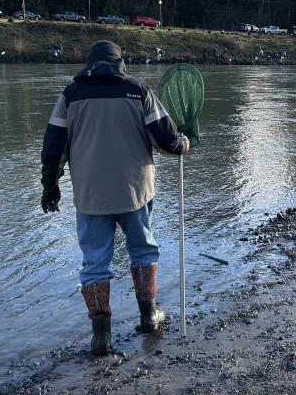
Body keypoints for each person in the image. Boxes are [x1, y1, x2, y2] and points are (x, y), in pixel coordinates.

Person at [40, 40, 190, 356]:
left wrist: (49, 186)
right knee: (143, 249)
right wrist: (183, 144)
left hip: (91, 194)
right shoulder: (139, 91)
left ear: (89, 63)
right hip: (135, 190)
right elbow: (166, 138)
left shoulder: (69, 96)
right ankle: (149, 316)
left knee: (94, 262)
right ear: (119, 62)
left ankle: (101, 336)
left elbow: (54, 147)